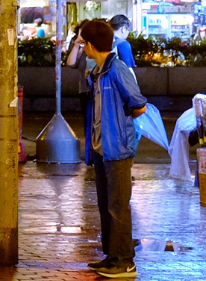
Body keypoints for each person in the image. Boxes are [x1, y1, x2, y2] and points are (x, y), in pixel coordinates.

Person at [79, 19, 148, 280]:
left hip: (117, 149)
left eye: (82, 42)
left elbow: (139, 105)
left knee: (118, 206)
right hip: (101, 149)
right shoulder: (98, 73)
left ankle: (125, 262)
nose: (81, 47)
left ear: (91, 45)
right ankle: (112, 257)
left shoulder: (117, 69)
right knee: (106, 204)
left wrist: (120, 127)